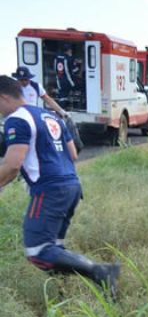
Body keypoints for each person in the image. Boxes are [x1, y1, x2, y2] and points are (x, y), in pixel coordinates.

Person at [0, 76, 119, 295]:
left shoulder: (16, 119)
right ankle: (63, 295)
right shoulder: (49, 115)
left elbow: (12, 164)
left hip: (49, 191)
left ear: (4, 97)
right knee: (53, 248)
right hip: (72, 186)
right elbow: (73, 153)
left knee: (37, 250)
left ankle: (101, 271)